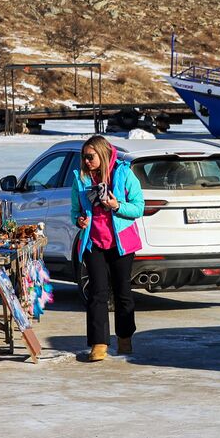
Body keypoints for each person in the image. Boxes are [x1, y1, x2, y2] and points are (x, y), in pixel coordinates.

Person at [73, 135, 144, 361]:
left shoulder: (123, 174)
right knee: (97, 293)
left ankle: (124, 337)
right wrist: (79, 220)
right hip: (94, 242)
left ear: (102, 154)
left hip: (121, 243)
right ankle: (99, 343)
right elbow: (75, 210)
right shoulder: (81, 179)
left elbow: (138, 207)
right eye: (84, 157)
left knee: (123, 292)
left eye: (90, 157)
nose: (86, 162)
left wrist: (116, 205)